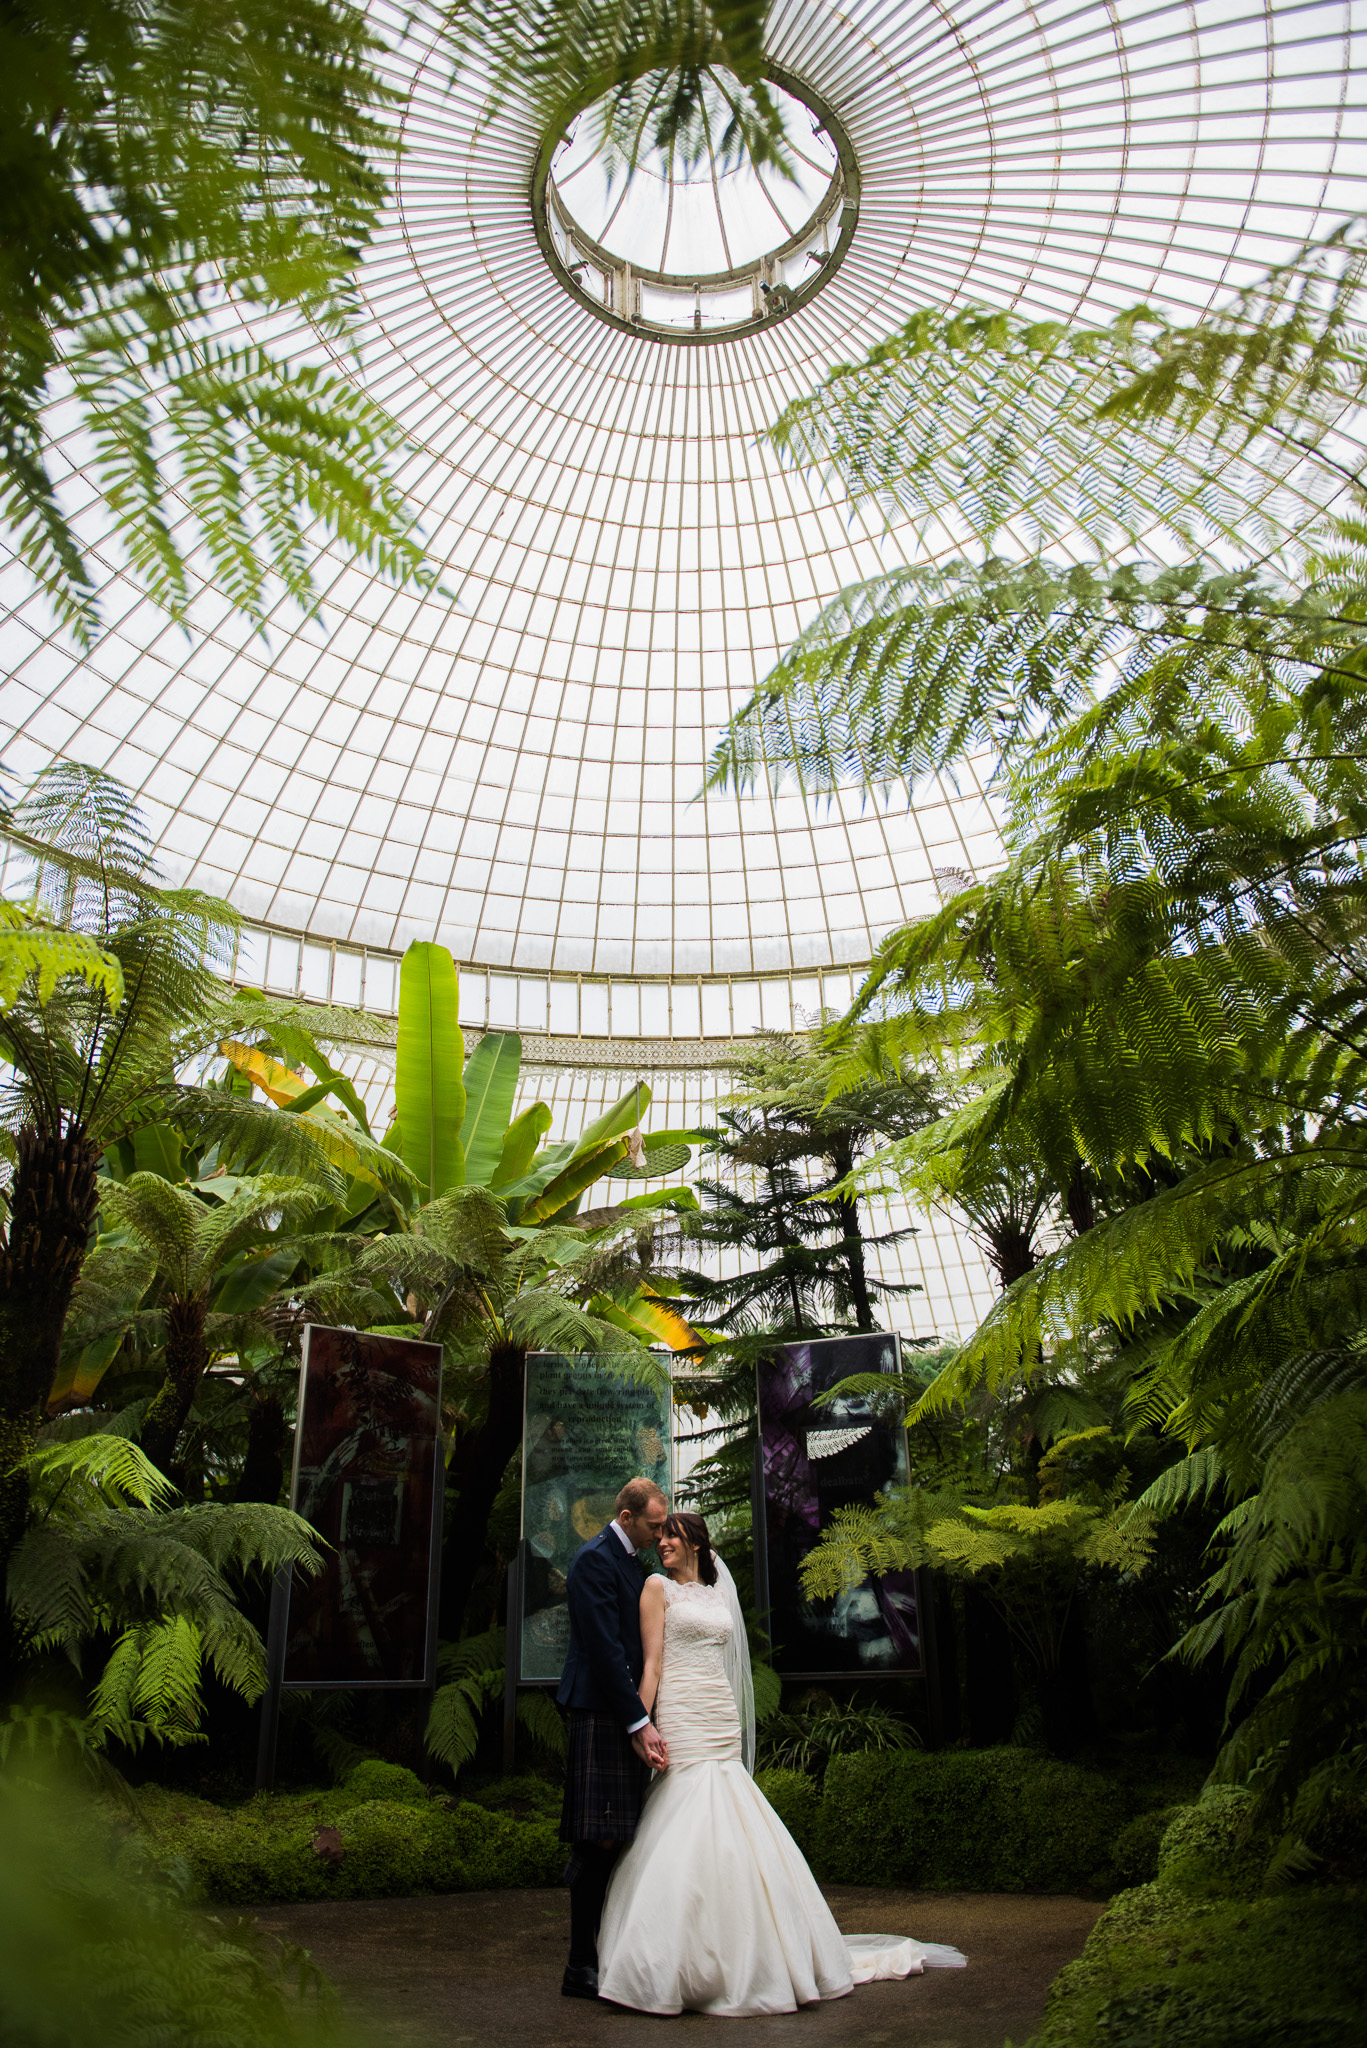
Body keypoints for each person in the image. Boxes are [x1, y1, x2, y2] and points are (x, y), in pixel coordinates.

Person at [595, 1510, 967, 2016]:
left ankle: (756, 1945)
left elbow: (727, 1659)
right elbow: (654, 1662)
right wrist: (643, 1724)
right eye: (659, 1536)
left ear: (696, 1544)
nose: (662, 1543)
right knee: (685, 1810)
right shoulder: (656, 1589)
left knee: (730, 1807)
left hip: (719, 1711)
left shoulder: (715, 1590)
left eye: (672, 1536)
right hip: (681, 1711)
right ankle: (669, 1955)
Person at [555, 1475, 669, 2000]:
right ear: (626, 1517)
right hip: (600, 1714)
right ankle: (580, 1965)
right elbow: (604, 1652)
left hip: (618, 1712)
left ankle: (595, 1957)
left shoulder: (630, 1561)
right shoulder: (594, 1559)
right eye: (653, 1524)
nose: (659, 1533)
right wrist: (638, 1721)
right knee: (597, 1836)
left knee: (612, 1835)